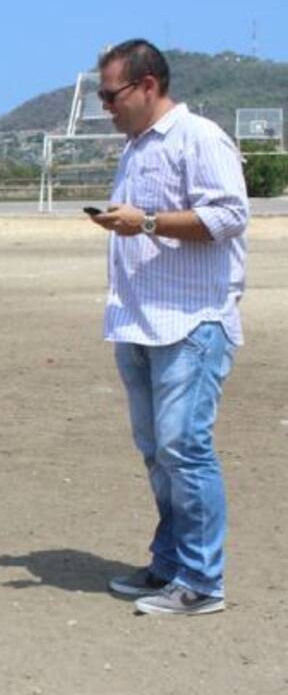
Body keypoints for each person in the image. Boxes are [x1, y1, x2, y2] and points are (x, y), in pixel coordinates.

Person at [89, 39, 248, 616]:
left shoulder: (199, 137)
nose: (105, 105)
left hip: (191, 320)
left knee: (185, 449)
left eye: (111, 94)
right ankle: (171, 563)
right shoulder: (134, 147)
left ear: (147, 85)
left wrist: (147, 221)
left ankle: (203, 582)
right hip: (138, 320)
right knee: (158, 452)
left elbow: (230, 215)